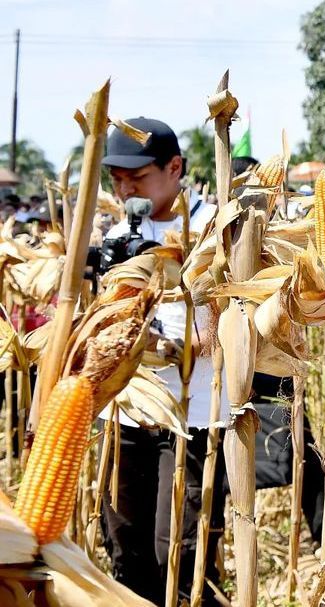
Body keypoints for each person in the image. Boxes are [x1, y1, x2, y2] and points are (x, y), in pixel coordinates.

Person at [96, 117, 226, 605]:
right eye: (117, 179)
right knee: (125, 545)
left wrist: (175, 345)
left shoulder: (213, 226)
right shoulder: (119, 233)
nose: (126, 189)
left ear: (174, 168)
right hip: (128, 409)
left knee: (179, 549)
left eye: (137, 177)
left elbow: (220, 328)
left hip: (191, 415)